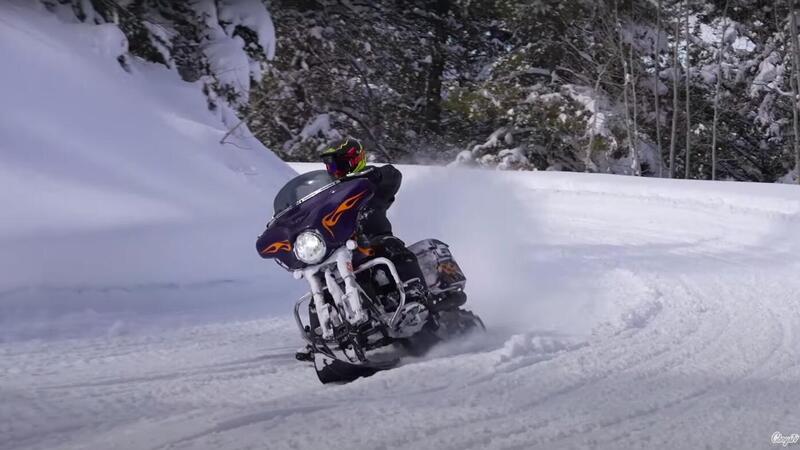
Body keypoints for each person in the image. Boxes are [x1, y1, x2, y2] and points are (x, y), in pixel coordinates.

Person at [295, 137, 428, 361]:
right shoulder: (329, 193)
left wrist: (375, 177)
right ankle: (321, 335)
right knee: (324, 284)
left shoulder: (369, 181)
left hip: (373, 239)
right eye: (331, 165)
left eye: (338, 164)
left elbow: (392, 176)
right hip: (340, 249)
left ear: (354, 160)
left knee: (393, 250)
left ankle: (417, 297)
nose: (334, 170)